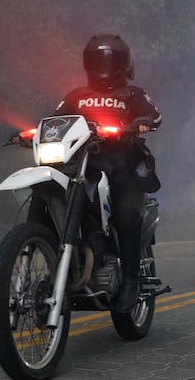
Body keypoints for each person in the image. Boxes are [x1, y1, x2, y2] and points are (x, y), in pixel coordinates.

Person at [52, 33, 162, 312]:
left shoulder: (133, 94)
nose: (104, 64)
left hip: (124, 166)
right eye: (98, 58)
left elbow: (155, 115)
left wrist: (141, 123)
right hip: (84, 166)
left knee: (125, 214)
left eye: (111, 59)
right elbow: (55, 120)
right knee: (61, 200)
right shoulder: (76, 96)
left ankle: (130, 282)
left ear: (124, 64)